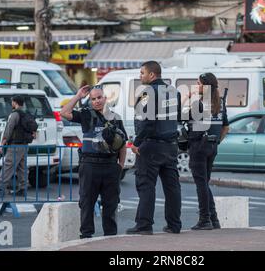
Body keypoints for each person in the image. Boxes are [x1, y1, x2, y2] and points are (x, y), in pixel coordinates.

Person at [60, 85, 127, 239]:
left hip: (110, 166)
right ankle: (86, 236)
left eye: (99, 98)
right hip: (90, 165)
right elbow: (64, 113)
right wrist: (78, 96)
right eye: (93, 99)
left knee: (110, 205)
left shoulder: (115, 118)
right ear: (90, 100)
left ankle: (110, 237)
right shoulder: (86, 115)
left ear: (105, 98)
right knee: (86, 203)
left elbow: (123, 144)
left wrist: (120, 166)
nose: (97, 101)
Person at [127, 61, 182, 235]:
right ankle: (174, 224)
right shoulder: (175, 92)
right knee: (172, 186)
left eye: (142, 72)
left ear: (152, 75)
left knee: (146, 185)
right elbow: (177, 116)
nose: (140, 76)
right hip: (171, 145)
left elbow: (147, 121)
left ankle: (144, 225)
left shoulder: (147, 93)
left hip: (151, 146)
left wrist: (136, 142)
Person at [184, 73, 229, 230]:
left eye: (198, 83)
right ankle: (214, 219)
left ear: (206, 86)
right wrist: (216, 142)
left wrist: (187, 97)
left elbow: (178, 116)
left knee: (201, 184)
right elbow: (226, 127)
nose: (197, 86)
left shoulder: (199, 104)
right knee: (205, 183)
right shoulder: (220, 103)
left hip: (198, 146)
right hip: (212, 146)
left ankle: (205, 219)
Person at [0, 96, 37, 196]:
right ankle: (23, 188)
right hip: (24, 145)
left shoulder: (14, 115)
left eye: (12, 102)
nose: (12, 104)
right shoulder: (26, 114)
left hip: (15, 145)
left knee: (8, 165)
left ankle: (1, 188)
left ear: (15, 103)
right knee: (22, 167)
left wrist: (3, 141)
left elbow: (9, 129)